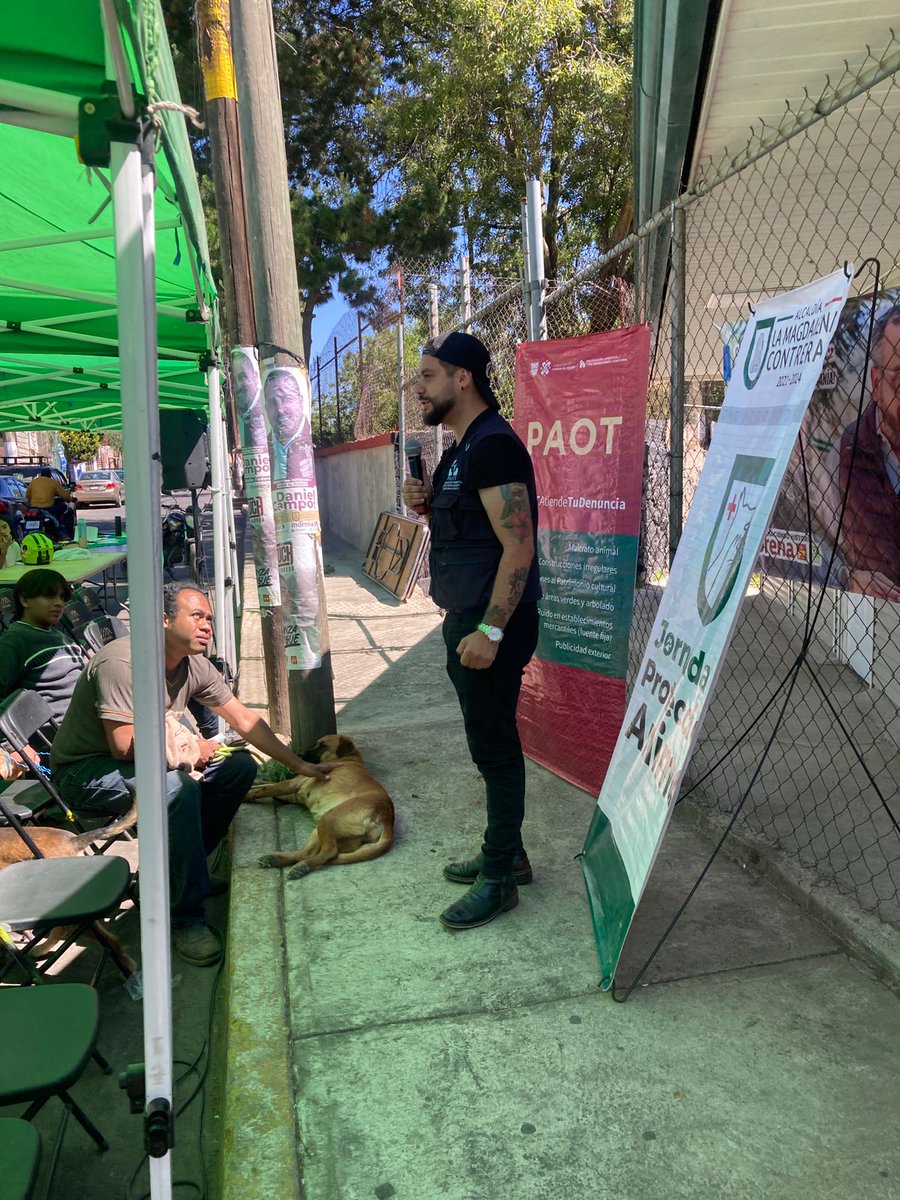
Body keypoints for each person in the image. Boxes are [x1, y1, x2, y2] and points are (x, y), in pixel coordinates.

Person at [51, 582, 336, 967]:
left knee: (238, 766)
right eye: (197, 616)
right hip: (86, 772)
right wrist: (187, 750)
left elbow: (244, 720)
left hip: (140, 762)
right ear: (164, 620)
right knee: (176, 789)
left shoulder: (193, 664)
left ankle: (186, 874)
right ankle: (185, 917)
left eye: (211, 620)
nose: (208, 627)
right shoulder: (123, 662)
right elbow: (123, 744)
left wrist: (299, 764)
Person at [401, 331, 542, 931]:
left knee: (495, 749)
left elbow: (519, 544)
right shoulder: (461, 448)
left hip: (492, 626)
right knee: (487, 744)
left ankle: (500, 879)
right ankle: (508, 853)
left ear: (464, 378)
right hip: (466, 620)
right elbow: (478, 532)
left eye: (429, 375)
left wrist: (490, 630)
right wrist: (429, 504)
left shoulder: (493, 447)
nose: (419, 388)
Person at [839, 304, 900, 601]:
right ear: (877, 383)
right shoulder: (852, 446)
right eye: (899, 377)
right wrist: (850, 576)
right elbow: (834, 546)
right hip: (877, 619)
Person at [0, 570, 86, 729]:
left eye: (62, 597)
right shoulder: (15, 640)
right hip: (54, 734)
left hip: (83, 721)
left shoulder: (59, 636)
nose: (59, 603)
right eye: (50, 596)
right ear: (25, 600)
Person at [263, 367, 315, 482]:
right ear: (266, 408)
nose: (280, 410)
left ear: (301, 401)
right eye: (272, 403)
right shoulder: (263, 446)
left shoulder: (306, 441)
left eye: (286, 399)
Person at [24, 468, 75, 539]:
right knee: (64, 507)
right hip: (47, 508)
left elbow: (27, 496)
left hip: (33, 508)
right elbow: (65, 496)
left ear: (41, 475)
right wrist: (70, 499)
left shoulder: (34, 482)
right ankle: (63, 533)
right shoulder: (53, 482)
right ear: (50, 475)